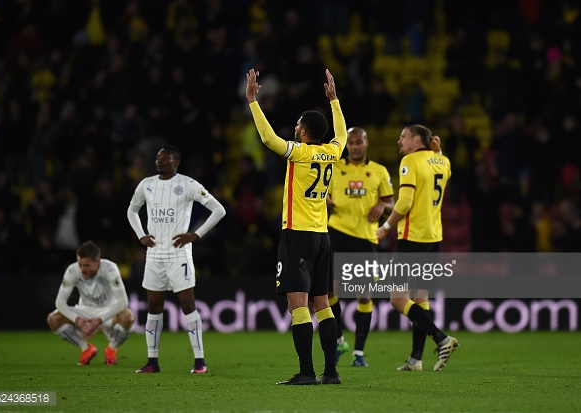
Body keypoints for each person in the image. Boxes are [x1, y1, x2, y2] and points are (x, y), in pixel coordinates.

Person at [245, 68, 346, 385]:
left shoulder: (299, 154)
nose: (294, 129)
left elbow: (267, 138)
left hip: (297, 236)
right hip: (322, 236)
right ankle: (331, 373)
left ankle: (306, 372)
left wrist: (252, 101)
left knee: (297, 305)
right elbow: (341, 136)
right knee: (323, 305)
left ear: (303, 133)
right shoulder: (331, 152)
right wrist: (335, 102)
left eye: (297, 126)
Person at [127, 144, 226, 374]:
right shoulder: (147, 185)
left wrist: (196, 234)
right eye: (158, 158)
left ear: (176, 162)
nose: (159, 161)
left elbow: (218, 209)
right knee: (154, 306)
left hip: (178, 254)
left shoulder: (187, 184)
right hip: (154, 255)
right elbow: (132, 210)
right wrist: (141, 235)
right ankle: (152, 361)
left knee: (187, 304)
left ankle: (199, 360)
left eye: (165, 158)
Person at [376, 125, 459, 371]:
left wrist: (386, 227)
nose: (399, 141)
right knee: (420, 297)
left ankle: (442, 338)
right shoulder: (443, 161)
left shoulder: (409, 161)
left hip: (413, 238)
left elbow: (405, 201)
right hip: (435, 237)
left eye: (403, 137)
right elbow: (439, 173)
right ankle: (415, 359)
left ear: (417, 139)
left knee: (397, 298)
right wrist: (439, 150)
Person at [326, 126, 395, 367]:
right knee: (329, 293)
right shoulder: (334, 168)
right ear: (347, 146)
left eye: (359, 142)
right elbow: (318, 194)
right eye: (351, 143)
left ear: (366, 144)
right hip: (336, 233)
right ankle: (339, 341)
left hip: (366, 238)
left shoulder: (378, 171)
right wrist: (326, 201)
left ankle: (358, 353)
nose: (354, 146)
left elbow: (391, 201)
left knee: (364, 295)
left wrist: (382, 207)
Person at [47, 240, 135, 366]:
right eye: (80, 264)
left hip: (109, 311)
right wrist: (77, 319)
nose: (82, 269)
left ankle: (111, 348)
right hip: (85, 311)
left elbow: (123, 302)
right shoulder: (73, 270)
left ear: (97, 263)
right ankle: (86, 348)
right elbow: (60, 302)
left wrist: (99, 320)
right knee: (53, 319)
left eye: (87, 265)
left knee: (128, 317)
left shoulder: (110, 269)